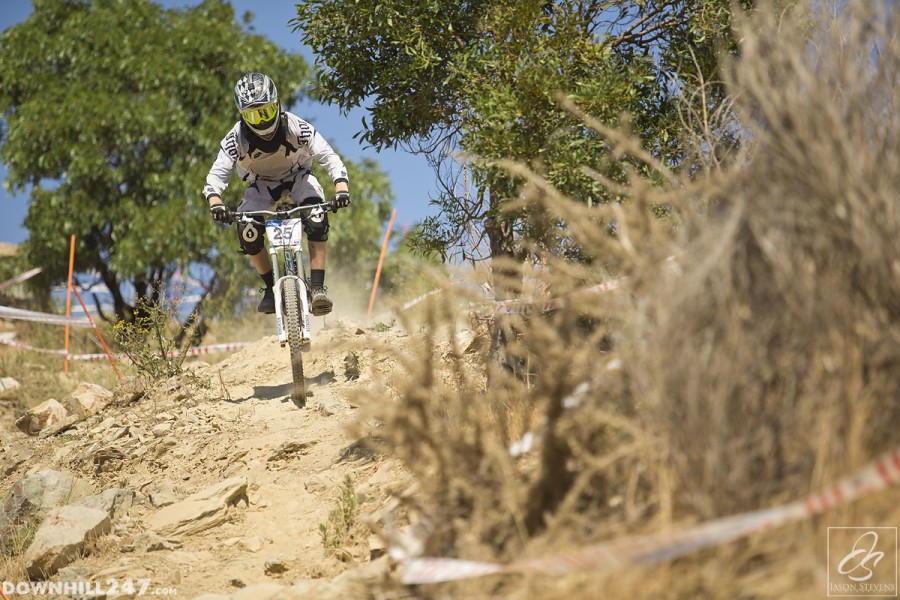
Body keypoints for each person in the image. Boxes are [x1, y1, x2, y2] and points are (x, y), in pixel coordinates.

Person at [203, 72, 350, 316]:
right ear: (242, 115)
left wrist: (341, 187)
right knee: (247, 231)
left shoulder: (296, 125)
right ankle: (271, 288)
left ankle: (317, 288)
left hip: (299, 176)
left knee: (316, 217)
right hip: (260, 184)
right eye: (252, 115)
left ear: (277, 104)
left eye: (266, 112)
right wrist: (215, 202)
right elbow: (215, 177)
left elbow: (328, 156)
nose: (260, 121)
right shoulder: (234, 139)